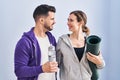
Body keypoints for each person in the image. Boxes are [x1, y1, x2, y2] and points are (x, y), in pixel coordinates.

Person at [56, 10, 105, 80]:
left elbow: (101, 65)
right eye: (68, 20)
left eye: (71, 20)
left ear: (81, 22)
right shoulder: (62, 41)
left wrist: (99, 62)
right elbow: (56, 63)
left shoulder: (90, 42)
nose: (68, 23)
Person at [14, 4, 58, 80]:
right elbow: (19, 71)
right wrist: (42, 69)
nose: (55, 22)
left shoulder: (51, 39)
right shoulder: (25, 42)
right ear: (41, 20)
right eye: (52, 19)